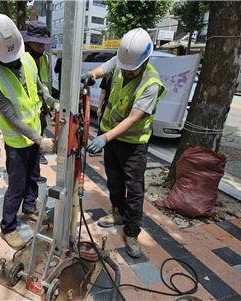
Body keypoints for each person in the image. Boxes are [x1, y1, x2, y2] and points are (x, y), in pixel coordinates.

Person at [82, 28, 167, 258]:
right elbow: (105, 68)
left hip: (133, 145)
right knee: (115, 180)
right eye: (124, 68)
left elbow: (133, 118)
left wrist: (103, 137)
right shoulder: (123, 61)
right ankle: (117, 212)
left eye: (132, 70)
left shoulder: (151, 83)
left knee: (135, 189)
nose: (126, 73)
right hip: (111, 138)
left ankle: (131, 231)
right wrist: (90, 74)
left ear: (145, 60)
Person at [0, 14, 59, 250]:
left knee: (33, 177)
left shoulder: (27, 60)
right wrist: (41, 140)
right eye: (8, 59)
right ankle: (8, 228)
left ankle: (30, 209)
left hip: (34, 137)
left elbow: (38, 87)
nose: (14, 62)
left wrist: (51, 101)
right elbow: (12, 118)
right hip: (17, 142)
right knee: (17, 185)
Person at [21, 20, 55, 174]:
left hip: (41, 103)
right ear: (28, 42)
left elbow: (43, 83)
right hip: (24, 108)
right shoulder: (20, 59)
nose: (42, 48)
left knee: (40, 129)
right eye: (38, 44)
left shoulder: (44, 58)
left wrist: (50, 103)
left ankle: (36, 164)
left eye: (44, 44)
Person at [89, 76, 112, 157]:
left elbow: (103, 92)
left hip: (107, 106)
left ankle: (98, 148)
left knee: (102, 126)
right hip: (117, 106)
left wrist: (99, 107)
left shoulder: (109, 75)